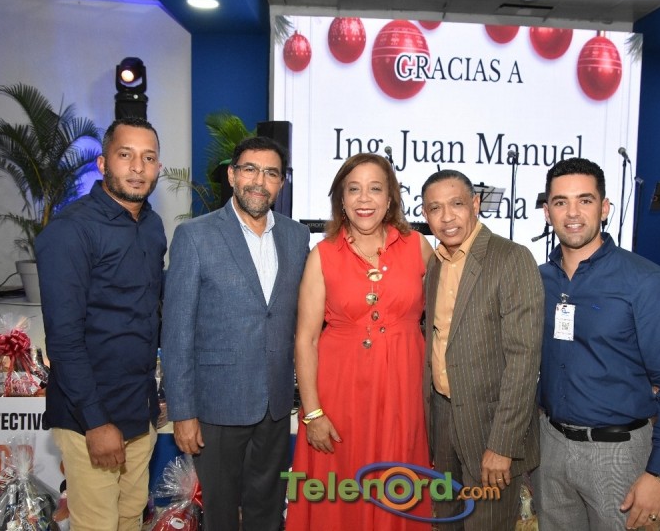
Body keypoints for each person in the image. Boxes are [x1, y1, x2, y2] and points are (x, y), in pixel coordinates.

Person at [533, 157, 660, 530]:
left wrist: (659, 473)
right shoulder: (539, 280)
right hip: (550, 448)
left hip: (618, 454)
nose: (572, 213)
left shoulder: (645, 281)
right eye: (560, 202)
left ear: (604, 208)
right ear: (547, 212)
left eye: (585, 200)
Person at [160, 136, 310, 531]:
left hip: (275, 405)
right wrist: (183, 412)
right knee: (221, 515)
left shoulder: (296, 237)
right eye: (250, 170)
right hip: (217, 407)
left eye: (271, 173)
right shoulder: (195, 236)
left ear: (281, 182)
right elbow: (176, 333)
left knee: (268, 512)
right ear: (231, 175)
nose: (259, 181)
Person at [285, 153, 434, 530]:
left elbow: (446, 321)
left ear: (390, 198)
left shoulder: (418, 247)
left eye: (375, 189)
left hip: (403, 399)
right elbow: (305, 340)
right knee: (340, 494)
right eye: (354, 189)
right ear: (341, 199)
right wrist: (312, 413)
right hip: (340, 401)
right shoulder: (322, 256)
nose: (364, 199)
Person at [35, 117, 166, 531]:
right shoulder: (70, 231)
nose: (138, 167)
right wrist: (95, 422)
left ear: (159, 167)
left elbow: (147, 315)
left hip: (139, 411)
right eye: (125, 155)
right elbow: (64, 340)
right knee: (97, 525)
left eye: (148, 158)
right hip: (90, 416)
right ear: (103, 162)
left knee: (130, 517)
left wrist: (155, 401)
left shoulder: (152, 226)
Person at [420, 169, 544, 530]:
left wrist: (503, 445)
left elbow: (524, 361)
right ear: (425, 215)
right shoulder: (435, 263)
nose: (447, 217)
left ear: (475, 204)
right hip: (443, 419)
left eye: (456, 204)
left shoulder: (511, 258)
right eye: (435, 208)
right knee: (445, 522)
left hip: (490, 429)